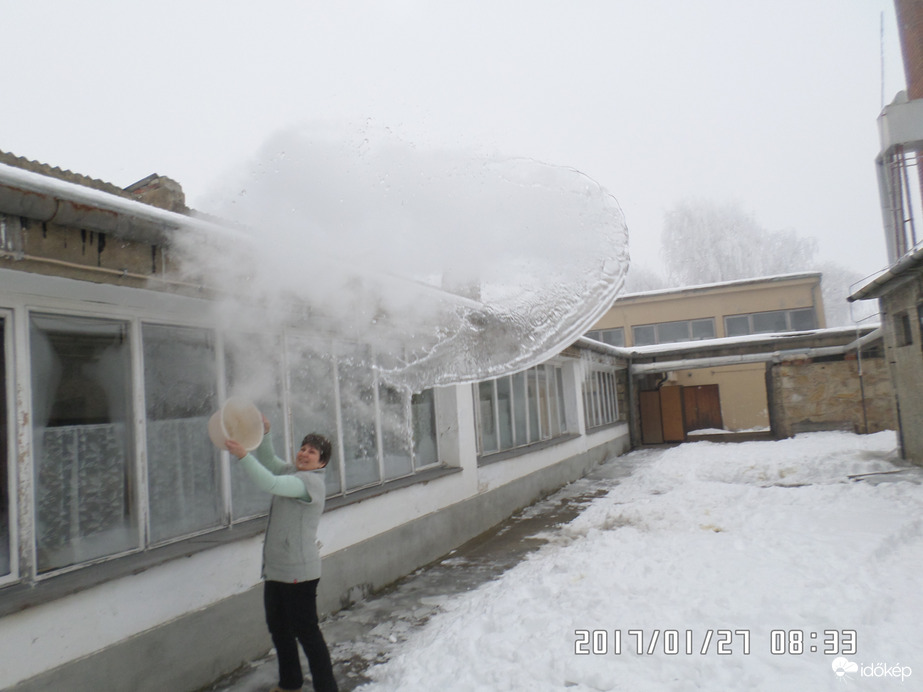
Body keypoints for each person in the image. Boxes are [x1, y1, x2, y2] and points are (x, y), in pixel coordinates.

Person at [226, 416, 338, 692]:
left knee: (307, 634)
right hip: (277, 570)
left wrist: (242, 456)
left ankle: (327, 688)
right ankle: (290, 684)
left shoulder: (309, 484)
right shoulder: (294, 472)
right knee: (279, 630)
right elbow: (270, 464)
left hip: (299, 573)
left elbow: (271, 483)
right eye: (303, 448)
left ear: (322, 463)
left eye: (312, 452)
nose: (304, 453)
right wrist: (265, 433)